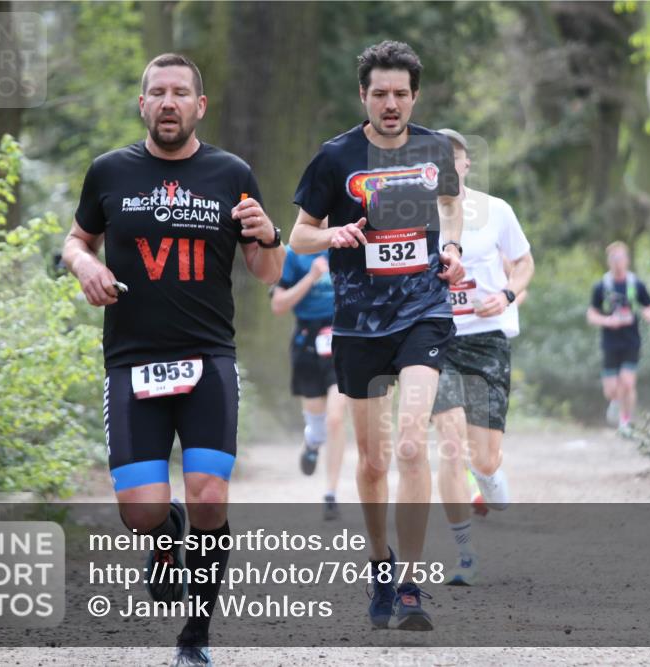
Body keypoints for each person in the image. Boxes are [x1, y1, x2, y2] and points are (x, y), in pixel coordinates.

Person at [62, 53, 284, 667]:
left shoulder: (231, 173)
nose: (168, 102)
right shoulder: (109, 172)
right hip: (131, 360)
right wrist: (84, 265)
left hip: (208, 358)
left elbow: (268, 271)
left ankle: (196, 636)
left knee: (211, 495)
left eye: (180, 93)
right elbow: (77, 240)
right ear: (142, 104)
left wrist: (268, 233)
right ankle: (165, 532)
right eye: (157, 92)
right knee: (142, 511)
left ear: (199, 106)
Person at [289, 40, 464, 631]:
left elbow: (450, 203)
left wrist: (452, 247)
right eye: (381, 94)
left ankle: (410, 583)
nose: (392, 104)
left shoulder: (433, 148)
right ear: (363, 95)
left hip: (423, 311)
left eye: (401, 94)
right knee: (371, 461)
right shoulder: (335, 157)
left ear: (415, 97)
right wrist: (332, 235)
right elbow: (299, 234)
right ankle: (379, 562)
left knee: (411, 444)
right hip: (359, 323)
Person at [430, 129, 534, 586]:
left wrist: (507, 295)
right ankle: (465, 553)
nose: (447, 167)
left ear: (467, 164)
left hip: (487, 340)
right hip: (437, 337)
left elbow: (525, 263)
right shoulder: (412, 213)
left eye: (453, 159)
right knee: (450, 444)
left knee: (485, 458)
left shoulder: (496, 211)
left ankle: (488, 477)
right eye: (437, 159)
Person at [270, 242, 348, 520]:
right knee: (318, 425)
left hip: (341, 338)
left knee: (335, 419)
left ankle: (331, 494)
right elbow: (278, 305)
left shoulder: (346, 246)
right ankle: (312, 442)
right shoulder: (293, 255)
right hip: (307, 340)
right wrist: (311, 277)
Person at [586, 241, 650, 434]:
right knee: (611, 390)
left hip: (631, 341)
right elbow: (591, 314)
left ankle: (625, 422)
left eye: (620, 257)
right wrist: (607, 321)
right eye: (613, 258)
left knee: (628, 382)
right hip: (610, 342)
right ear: (608, 261)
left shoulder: (635, 284)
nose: (617, 262)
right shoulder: (602, 286)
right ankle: (615, 402)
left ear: (627, 260)